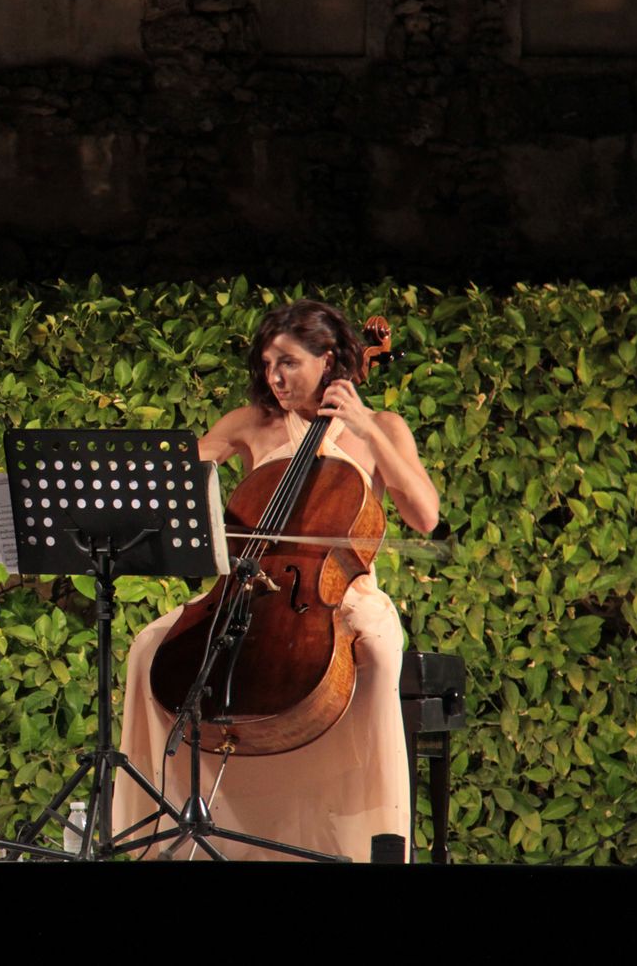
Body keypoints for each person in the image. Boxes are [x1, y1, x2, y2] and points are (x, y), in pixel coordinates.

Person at [113, 300, 439, 861]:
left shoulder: (382, 429)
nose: (274, 377)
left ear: (329, 359)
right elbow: (178, 477)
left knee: (381, 652)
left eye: (287, 362)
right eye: (266, 364)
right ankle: (159, 832)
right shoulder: (251, 423)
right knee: (147, 649)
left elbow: (424, 515)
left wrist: (365, 426)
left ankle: (371, 839)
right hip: (250, 585)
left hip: (341, 594)